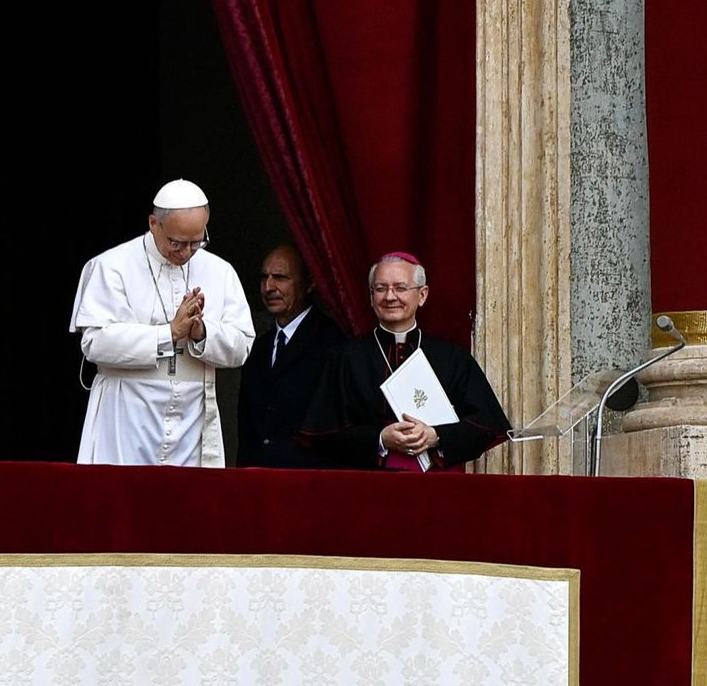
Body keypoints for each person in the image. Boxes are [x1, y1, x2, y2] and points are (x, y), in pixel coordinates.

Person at [69, 179, 254, 466]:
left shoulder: (220, 271)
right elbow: (94, 342)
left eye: (197, 242)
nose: (186, 252)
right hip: (126, 416)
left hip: (191, 420)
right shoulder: (112, 266)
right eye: (176, 243)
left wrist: (200, 332)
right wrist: (168, 333)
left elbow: (241, 345)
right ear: (154, 223)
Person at [300, 251, 510, 470]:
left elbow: (487, 424)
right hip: (366, 489)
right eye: (381, 289)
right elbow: (321, 434)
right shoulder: (345, 358)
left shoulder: (452, 358)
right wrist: (380, 439)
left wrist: (435, 435)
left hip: (437, 492)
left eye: (400, 288)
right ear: (371, 297)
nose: (390, 297)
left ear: (422, 295)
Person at [237, 244, 344, 467]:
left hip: (307, 481)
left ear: (309, 283)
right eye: (264, 277)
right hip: (257, 480)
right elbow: (247, 428)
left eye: (280, 277)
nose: (268, 287)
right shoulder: (257, 347)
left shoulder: (333, 342)